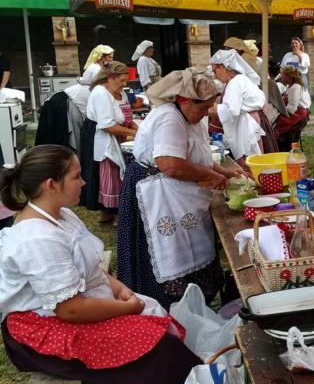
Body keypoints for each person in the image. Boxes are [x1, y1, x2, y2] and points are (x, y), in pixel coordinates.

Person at [0, 145, 201, 383]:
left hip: (72, 307)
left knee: (159, 330)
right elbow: (70, 309)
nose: (84, 182)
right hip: (42, 327)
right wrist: (128, 308)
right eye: (76, 177)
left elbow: (91, 268)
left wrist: (119, 289)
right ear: (51, 185)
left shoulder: (61, 214)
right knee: (158, 348)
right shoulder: (37, 239)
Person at [117, 69, 243, 309]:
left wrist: (224, 172)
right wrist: (209, 175)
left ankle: (195, 307)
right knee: (170, 255)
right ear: (185, 100)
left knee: (192, 246)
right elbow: (170, 164)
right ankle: (168, 308)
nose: (207, 113)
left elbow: (197, 154)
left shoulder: (190, 116)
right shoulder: (169, 117)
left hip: (176, 195)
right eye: (204, 107)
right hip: (158, 198)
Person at [80, 62, 137, 226]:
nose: (125, 84)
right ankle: (116, 215)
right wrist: (135, 134)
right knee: (111, 173)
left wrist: (141, 130)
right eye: (122, 80)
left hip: (118, 133)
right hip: (102, 136)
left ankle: (107, 215)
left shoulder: (121, 93)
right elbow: (107, 126)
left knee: (118, 173)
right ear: (111, 77)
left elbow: (127, 118)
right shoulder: (100, 93)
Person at [209, 49, 276, 165]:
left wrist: (211, 107)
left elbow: (230, 110)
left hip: (250, 125)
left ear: (224, 67)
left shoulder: (236, 82)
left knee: (253, 162)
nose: (215, 75)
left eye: (215, 70)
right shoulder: (240, 80)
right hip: (253, 122)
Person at [274, 66, 311, 151]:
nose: (281, 76)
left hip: (298, 114)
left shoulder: (295, 87)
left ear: (288, 76)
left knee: (277, 124)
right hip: (296, 112)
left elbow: (292, 108)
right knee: (275, 121)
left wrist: (279, 111)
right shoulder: (290, 86)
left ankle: (281, 146)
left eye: (283, 74)